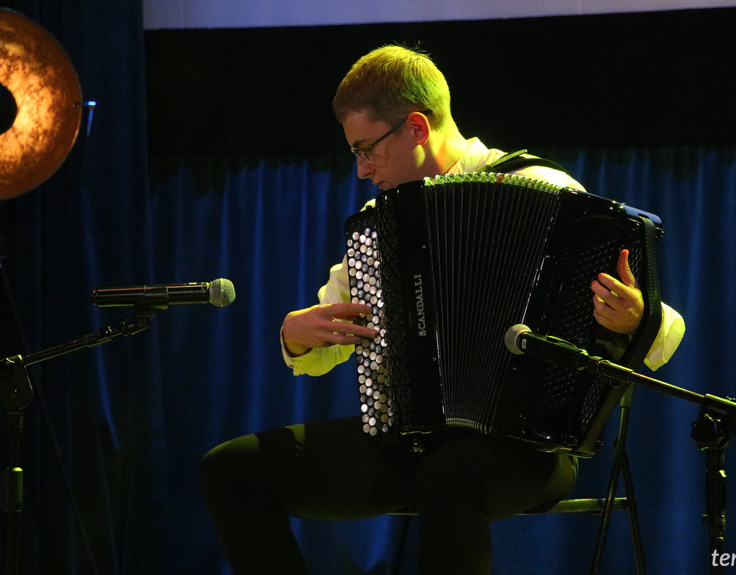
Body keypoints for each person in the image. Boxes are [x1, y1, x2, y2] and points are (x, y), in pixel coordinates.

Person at [201, 44, 685, 575]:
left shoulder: (543, 190)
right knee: (232, 469)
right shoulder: (379, 221)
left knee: (450, 472)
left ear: (415, 127)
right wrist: (298, 336)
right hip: (409, 441)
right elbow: (323, 345)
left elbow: (665, 329)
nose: (362, 171)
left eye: (367, 150)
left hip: (529, 449)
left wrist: (637, 320)